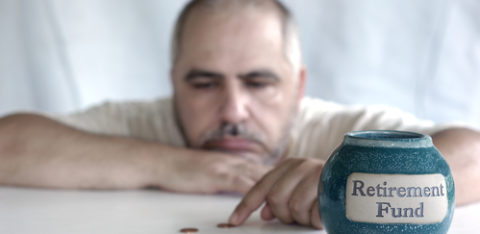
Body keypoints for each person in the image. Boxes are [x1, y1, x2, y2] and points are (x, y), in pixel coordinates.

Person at [0, 0, 479, 230]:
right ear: (174, 84)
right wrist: (171, 165)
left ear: (298, 87)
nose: (232, 110)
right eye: (204, 83)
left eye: (259, 82)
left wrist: (344, 178)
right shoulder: (151, 123)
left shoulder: (330, 127)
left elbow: (474, 155)